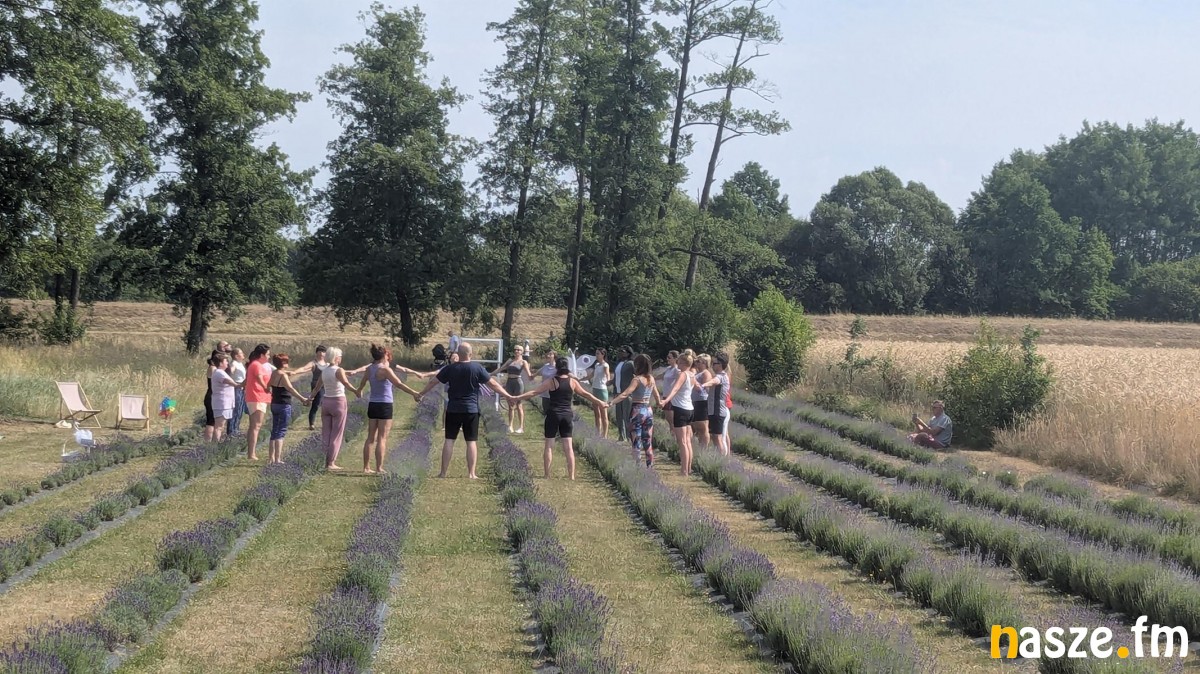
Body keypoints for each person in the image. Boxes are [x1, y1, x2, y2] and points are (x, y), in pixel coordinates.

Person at [417, 342, 515, 479]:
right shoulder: (477, 368)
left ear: (458, 353)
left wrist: (421, 393)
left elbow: (433, 381)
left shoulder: (450, 368)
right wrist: (508, 396)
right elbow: (492, 384)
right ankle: (471, 473)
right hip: (471, 410)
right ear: (471, 354)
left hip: (453, 409)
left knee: (449, 440)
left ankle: (443, 473)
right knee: (471, 441)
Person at [515, 357, 608, 480]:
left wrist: (517, 397)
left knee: (549, 445)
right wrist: (600, 402)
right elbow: (586, 394)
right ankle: (571, 476)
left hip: (553, 414)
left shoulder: (551, 381)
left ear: (557, 367)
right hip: (567, 415)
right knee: (568, 447)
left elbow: (534, 392)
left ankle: (547, 474)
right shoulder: (572, 382)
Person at [358, 343, 421, 474]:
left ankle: (366, 467)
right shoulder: (385, 370)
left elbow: (363, 382)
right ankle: (379, 468)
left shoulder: (369, 369)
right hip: (385, 404)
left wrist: (359, 390)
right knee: (382, 437)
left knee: (370, 438)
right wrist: (414, 393)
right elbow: (399, 384)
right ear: (383, 356)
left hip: (373, 404)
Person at [310, 347, 362, 470]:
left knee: (326, 433)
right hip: (338, 402)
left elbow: (317, 388)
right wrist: (356, 391)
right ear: (336, 357)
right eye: (340, 356)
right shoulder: (339, 370)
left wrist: (309, 398)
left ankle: (324, 460)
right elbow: (346, 384)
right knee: (336, 434)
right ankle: (331, 463)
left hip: (326, 402)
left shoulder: (324, 371)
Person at [610, 353, 664, 467]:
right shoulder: (651, 379)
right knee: (647, 441)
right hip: (648, 410)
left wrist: (612, 402)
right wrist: (660, 403)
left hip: (637, 411)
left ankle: (638, 466)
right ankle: (650, 466)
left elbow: (625, 394)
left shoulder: (637, 380)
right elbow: (656, 395)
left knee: (636, 441)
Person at [267, 353, 310, 465]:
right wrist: (302, 399)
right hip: (284, 404)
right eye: (286, 362)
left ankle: (271, 458)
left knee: (274, 430)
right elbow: (290, 389)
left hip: (274, 403)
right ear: (283, 363)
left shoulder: (274, 373)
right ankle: (277, 459)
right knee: (281, 431)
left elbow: (268, 385)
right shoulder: (283, 376)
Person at [662, 353, 697, 477]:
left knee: (682, 442)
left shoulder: (683, 374)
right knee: (687, 441)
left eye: (679, 362)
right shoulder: (692, 374)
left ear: (683, 363)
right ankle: (688, 468)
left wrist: (666, 400)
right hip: (689, 409)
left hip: (680, 409)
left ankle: (684, 470)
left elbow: (675, 389)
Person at [493, 345, 532, 434]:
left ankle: (521, 427)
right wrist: (490, 374)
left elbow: (529, 374)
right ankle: (510, 426)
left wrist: (535, 375)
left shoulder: (523, 362)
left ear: (522, 352)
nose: (516, 351)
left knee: (519, 404)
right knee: (510, 405)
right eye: (515, 349)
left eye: (519, 350)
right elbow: (500, 369)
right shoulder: (510, 361)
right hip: (509, 382)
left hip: (518, 382)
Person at [243, 344, 272, 460]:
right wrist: (266, 388)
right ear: (262, 355)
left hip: (258, 397)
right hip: (257, 397)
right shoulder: (257, 365)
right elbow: (260, 378)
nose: (269, 356)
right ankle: (251, 453)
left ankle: (251, 452)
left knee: (255, 426)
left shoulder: (255, 365)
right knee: (255, 426)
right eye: (267, 354)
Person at [703, 352, 732, 456]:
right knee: (715, 437)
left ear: (720, 364)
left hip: (718, 411)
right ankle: (720, 457)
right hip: (714, 410)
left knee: (718, 437)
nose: (712, 366)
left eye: (714, 363)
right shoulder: (720, 376)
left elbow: (714, 381)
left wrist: (703, 385)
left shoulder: (721, 376)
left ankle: (722, 460)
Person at [209, 352, 242, 443]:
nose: (227, 363)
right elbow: (233, 383)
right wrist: (244, 382)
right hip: (221, 403)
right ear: (220, 363)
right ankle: (214, 446)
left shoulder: (221, 372)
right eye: (225, 361)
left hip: (225, 403)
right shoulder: (219, 373)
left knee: (221, 426)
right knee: (219, 426)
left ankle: (216, 443)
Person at [612, 346, 634, 442]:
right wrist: (613, 387)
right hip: (618, 393)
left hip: (626, 394)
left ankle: (629, 437)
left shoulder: (630, 364)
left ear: (628, 353)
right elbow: (616, 378)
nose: (620, 353)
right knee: (619, 416)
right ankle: (622, 436)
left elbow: (636, 375)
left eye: (622, 351)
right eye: (619, 351)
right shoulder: (618, 363)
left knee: (627, 416)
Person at [588, 348, 612, 438]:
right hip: (595, 389)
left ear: (603, 355)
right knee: (596, 413)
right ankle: (597, 433)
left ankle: (604, 435)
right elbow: (591, 375)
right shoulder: (597, 365)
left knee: (603, 413)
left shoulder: (605, 365)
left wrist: (608, 381)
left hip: (602, 390)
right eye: (596, 353)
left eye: (598, 354)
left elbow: (607, 374)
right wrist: (579, 379)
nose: (596, 355)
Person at [691, 354, 712, 450]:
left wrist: (694, 381)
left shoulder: (706, 373)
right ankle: (700, 447)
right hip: (695, 401)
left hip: (702, 401)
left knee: (703, 427)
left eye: (698, 361)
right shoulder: (697, 373)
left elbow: (705, 389)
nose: (696, 363)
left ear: (705, 363)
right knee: (697, 426)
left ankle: (704, 449)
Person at [227, 348, 247, 436]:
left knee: (240, 409)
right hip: (237, 387)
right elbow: (230, 372)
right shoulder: (234, 363)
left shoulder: (240, 364)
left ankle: (236, 428)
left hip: (242, 387)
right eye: (241, 353)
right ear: (236, 356)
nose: (243, 354)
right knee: (236, 409)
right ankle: (231, 430)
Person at [657, 350, 680, 429]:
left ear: (675, 359)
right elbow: (661, 376)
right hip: (665, 396)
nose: (667, 359)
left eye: (669, 357)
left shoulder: (677, 370)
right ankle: (672, 433)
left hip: (672, 397)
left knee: (672, 421)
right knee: (668, 419)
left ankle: (675, 434)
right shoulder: (668, 368)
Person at [203, 350, 219, 442]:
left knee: (214, 421)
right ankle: (208, 442)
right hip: (212, 395)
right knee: (211, 421)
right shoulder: (213, 368)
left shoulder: (214, 368)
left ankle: (210, 441)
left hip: (213, 395)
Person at [536, 349, 558, 417]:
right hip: (545, 393)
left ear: (554, 356)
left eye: (550, 354)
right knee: (546, 413)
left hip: (554, 394)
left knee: (554, 413)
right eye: (548, 354)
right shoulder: (545, 366)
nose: (548, 356)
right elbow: (536, 373)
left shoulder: (557, 367)